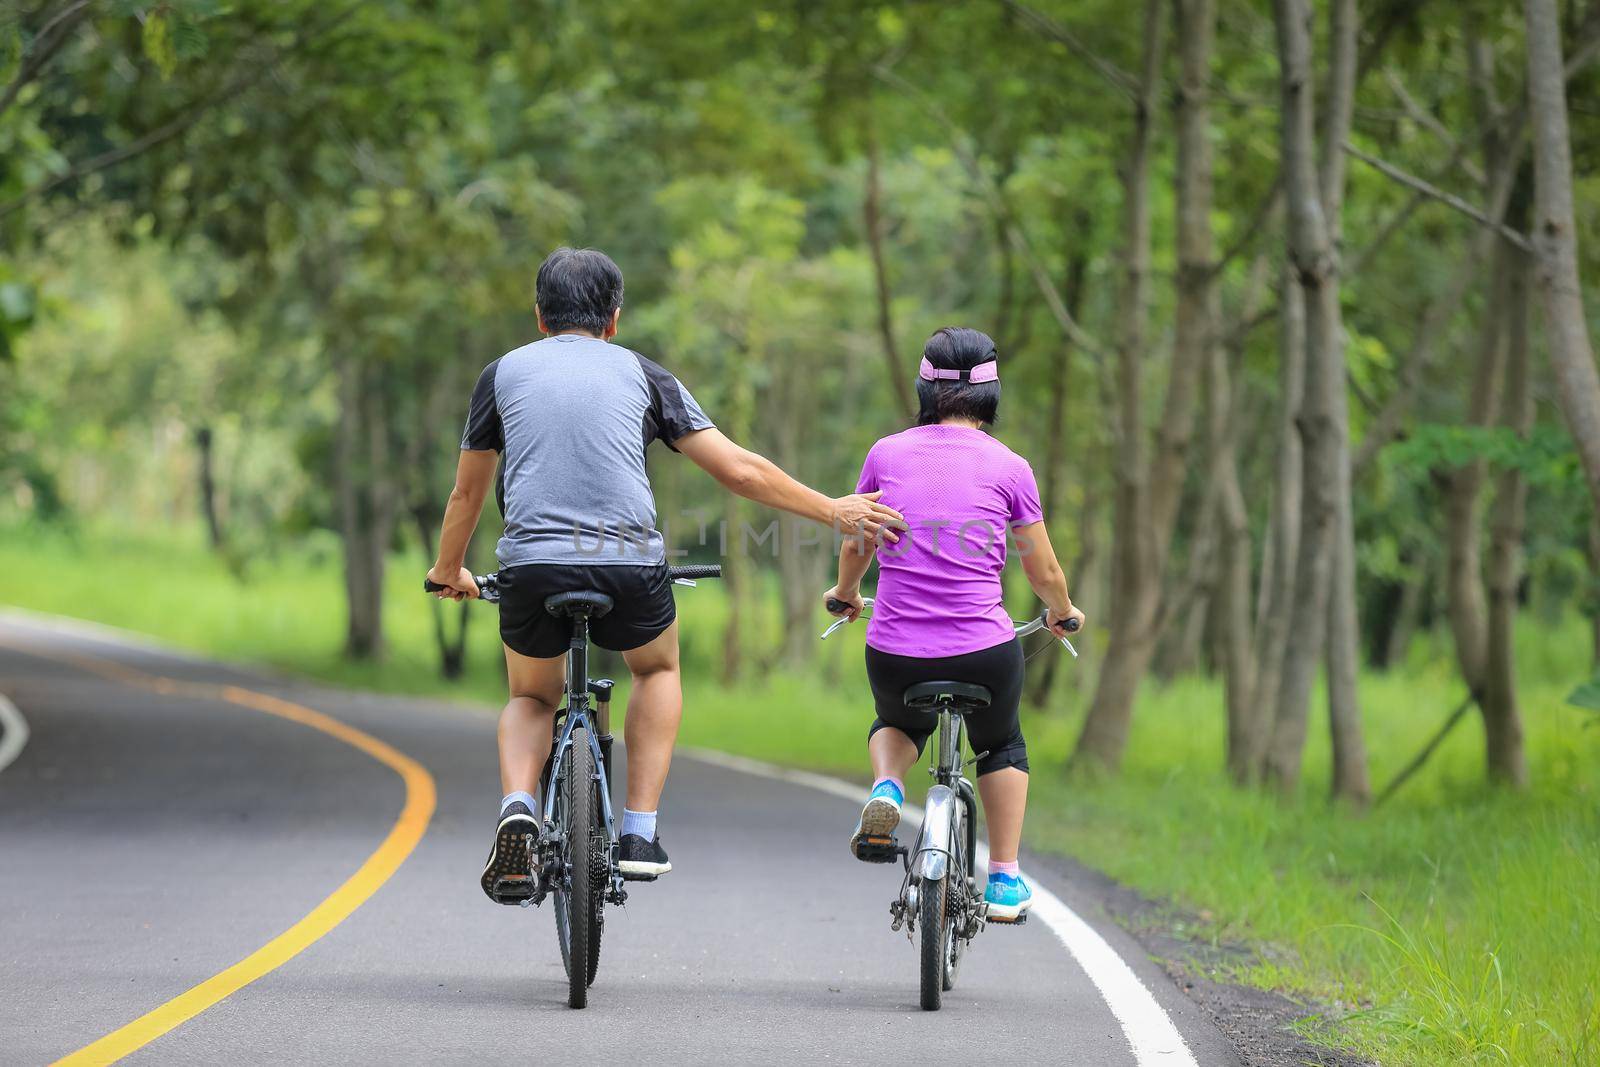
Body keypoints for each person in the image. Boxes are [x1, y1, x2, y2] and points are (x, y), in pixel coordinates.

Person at [426, 247, 904, 901]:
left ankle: (520, 805)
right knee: (655, 668)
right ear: (614, 319)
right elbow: (738, 469)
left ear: (539, 316)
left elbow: (466, 495)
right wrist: (833, 510)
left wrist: (448, 568)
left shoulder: (500, 375)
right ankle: (639, 832)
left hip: (532, 565)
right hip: (629, 565)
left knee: (532, 697)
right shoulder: (643, 374)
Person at [823, 326, 1085, 922]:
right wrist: (1062, 612)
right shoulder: (1011, 466)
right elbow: (1042, 569)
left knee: (896, 721)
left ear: (925, 387)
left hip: (896, 651)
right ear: (991, 394)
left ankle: (888, 786)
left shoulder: (885, 454)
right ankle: (1004, 879)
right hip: (983, 654)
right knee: (1002, 743)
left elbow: (857, 546)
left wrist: (845, 595)